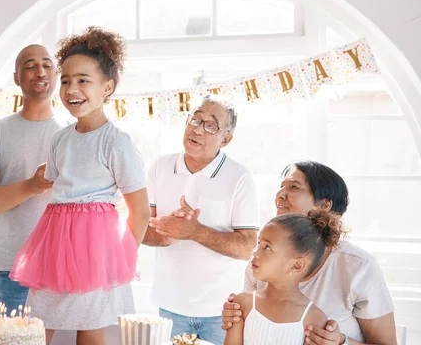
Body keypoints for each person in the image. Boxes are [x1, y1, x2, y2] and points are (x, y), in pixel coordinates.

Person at [9, 26, 150, 345]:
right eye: (66, 80)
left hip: (97, 251)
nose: (72, 88)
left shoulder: (117, 143)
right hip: (55, 244)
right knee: (37, 325)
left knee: (90, 328)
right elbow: (59, 187)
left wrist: (119, 258)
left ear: (107, 87)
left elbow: (139, 212)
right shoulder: (60, 139)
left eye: (83, 80)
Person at [222, 161, 397, 345]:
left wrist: (341, 342)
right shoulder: (260, 263)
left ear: (324, 205)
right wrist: (235, 318)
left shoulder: (358, 266)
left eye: (293, 187)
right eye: (281, 186)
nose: (280, 195)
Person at [145, 94, 259, 344]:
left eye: (210, 125)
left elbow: (249, 247)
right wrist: (169, 234)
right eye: (195, 119)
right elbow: (140, 228)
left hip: (222, 310)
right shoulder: (160, 167)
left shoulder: (239, 177)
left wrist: (194, 231)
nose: (197, 129)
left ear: (225, 139)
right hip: (169, 307)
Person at [0, 44, 68, 318]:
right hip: (10, 270)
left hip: (62, 271)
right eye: (30, 65)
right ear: (16, 78)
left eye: (47, 65)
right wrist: (31, 186)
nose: (40, 71)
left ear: (56, 74)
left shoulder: (73, 135)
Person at [224, 210, 342, 344]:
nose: (255, 251)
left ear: (297, 265)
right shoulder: (241, 305)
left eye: (267, 247)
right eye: (259, 244)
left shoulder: (315, 320)